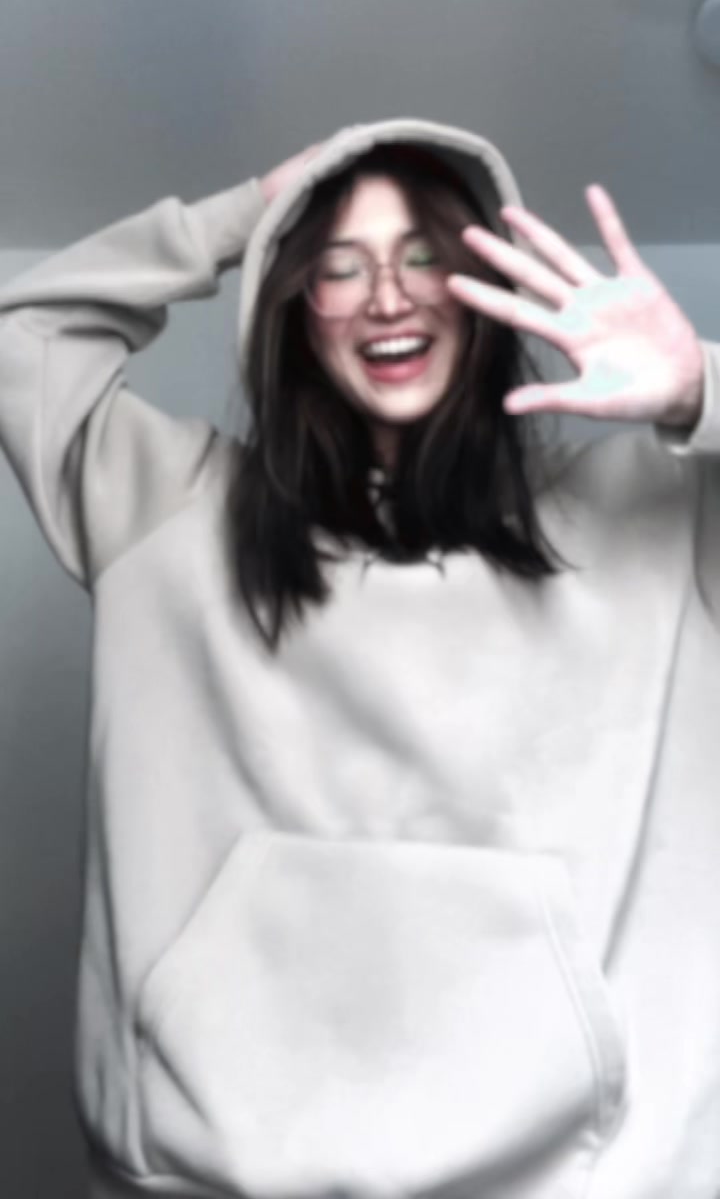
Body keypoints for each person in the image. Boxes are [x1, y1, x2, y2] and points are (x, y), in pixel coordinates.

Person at [0, 117, 718, 1199]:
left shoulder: (651, 520)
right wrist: (248, 214)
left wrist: (700, 389)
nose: (389, 296)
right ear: (293, 305)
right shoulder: (169, 512)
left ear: (487, 290)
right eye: (339, 265)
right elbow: (23, 339)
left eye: (425, 256)